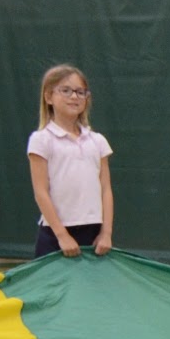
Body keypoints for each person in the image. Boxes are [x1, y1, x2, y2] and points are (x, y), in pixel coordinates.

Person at [26, 64, 113, 258]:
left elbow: (105, 188)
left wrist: (106, 233)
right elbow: (41, 192)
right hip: (55, 235)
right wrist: (62, 235)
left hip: (93, 235)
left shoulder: (97, 141)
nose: (74, 97)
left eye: (80, 92)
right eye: (66, 90)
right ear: (49, 97)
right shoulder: (41, 140)